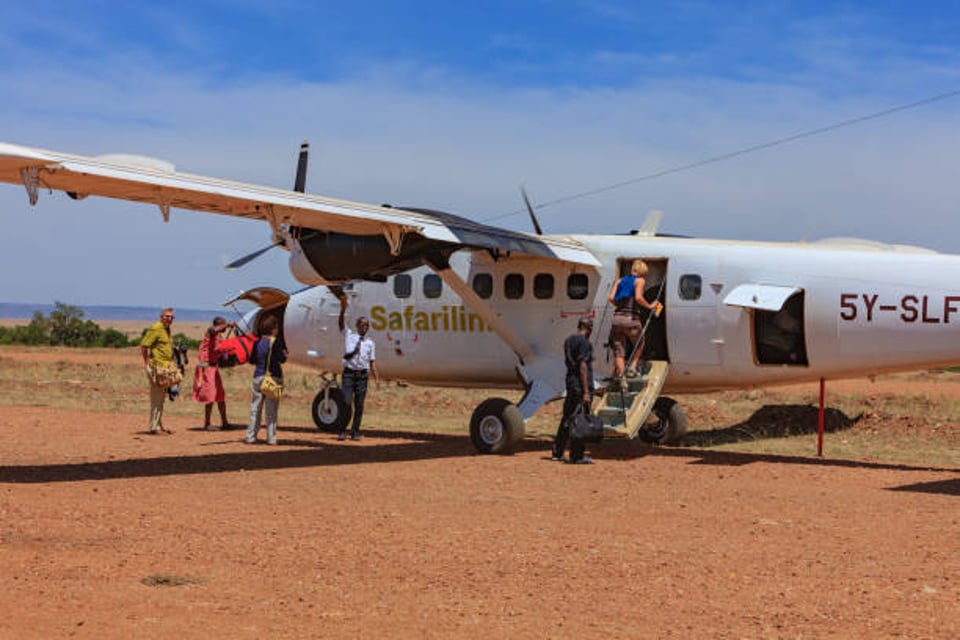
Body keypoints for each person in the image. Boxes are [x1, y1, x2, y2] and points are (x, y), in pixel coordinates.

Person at [607, 259, 660, 383]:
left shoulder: (619, 281)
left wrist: (619, 305)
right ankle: (632, 367)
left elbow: (610, 298)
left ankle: (622, 377)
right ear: (642, 271)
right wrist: (650, 306)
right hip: (631, 319)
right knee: (640, 342)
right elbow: (638, 297)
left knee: (619, 350)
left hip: (617, 319)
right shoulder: (640, 281)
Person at [552, 317, 596, 464]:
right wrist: (586, 391)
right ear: (589, 328)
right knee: (580, 420)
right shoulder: (585, 343)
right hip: (580, 385)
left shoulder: (569, 340)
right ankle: (576, 455)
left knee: (567, 418)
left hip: (571, 383)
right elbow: (583, 366)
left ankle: (557, 452)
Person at [338, 295, 380, 441]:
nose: (364, 327)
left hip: (362, 376)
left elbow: (372, 361)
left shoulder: (370, 343)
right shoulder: (350, 336)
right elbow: (341, 326)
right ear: (357, 326)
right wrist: (343, 310)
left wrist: (376, 377)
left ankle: (355, 431)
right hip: (349, 374)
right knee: (346, 401)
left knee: (360, 405)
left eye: (367, 325)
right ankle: (342, 430)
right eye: (362, 325)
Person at [245, 316, 286, 445]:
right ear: (273, 329)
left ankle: (251, 436)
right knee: (271, 410)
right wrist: (284, 354)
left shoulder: (257, 343)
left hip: (258, 376)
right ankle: (271, 438)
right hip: (273, 377)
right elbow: (282, 359)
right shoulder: (277, 342)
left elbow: (252, 360)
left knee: (255, 408)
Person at [192, 316, 234, 430]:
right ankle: (207, 423)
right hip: (206, 367)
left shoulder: (219, 336)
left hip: (213, 368)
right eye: (222, 324)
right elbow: (213, 329)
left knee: (220, 395)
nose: (224, 327)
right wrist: (227, 325)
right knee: (210, 395)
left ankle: (225, 422)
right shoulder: (210, 333)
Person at [140, 307, 176, 435]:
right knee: (156, 398)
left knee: (161, 398)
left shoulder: (166, 329)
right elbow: (144, 346)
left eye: (172, 317)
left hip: (165, 367)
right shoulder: (156, 328)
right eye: (167, 316)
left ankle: (159, 425)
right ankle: (153, 427)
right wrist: (147, 364)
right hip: (156, 367)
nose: (169, 319)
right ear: (161, 317)